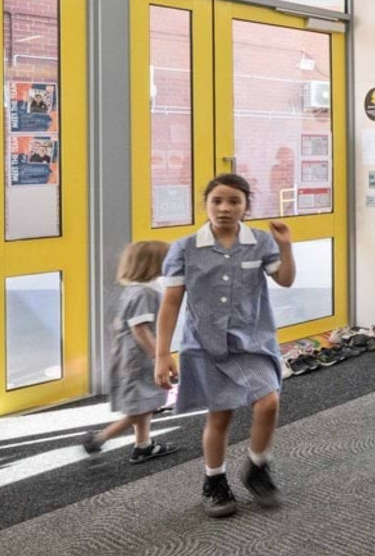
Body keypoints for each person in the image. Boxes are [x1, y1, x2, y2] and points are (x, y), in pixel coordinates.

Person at [155, 173, 295, 518]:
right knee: (220, 416)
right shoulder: (184, 248)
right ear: (205, 205)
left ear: (246, 207)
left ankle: (258, 468)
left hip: (253, 341)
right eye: (217, 201)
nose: (225, 208)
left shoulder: (260, 242)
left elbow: (286, 280)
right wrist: (162, 354)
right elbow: (171, 303)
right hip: (205, 345)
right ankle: (214, 481)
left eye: (234, 201)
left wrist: (286, 247)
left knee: (269, 401)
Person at [82, 239, 179, 463]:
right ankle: (100, 438)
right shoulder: (144, 294)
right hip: (139, 358)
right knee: (141, 407)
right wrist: (160, 356)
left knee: (145, 402)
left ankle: (143, 445)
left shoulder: (135, 290)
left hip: (133, 356)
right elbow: (140, 329)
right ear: (154, 264)